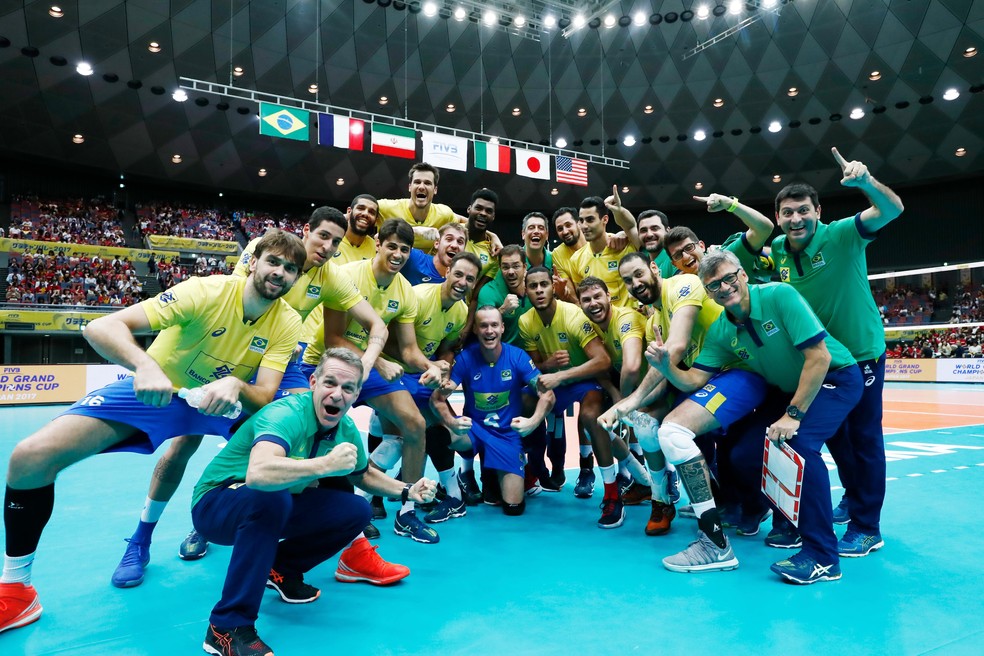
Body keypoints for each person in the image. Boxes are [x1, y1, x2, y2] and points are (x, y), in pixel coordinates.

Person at [0, 230, 307, 634]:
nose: (280, 273)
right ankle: (22, 587)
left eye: (290, 269)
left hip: (221, 402)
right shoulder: (206, 291)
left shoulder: (287, 320)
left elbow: (265, 393)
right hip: (158, 392)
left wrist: (235, 384)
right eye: (273, 262)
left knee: (297, 465)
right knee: (30, 457)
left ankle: (270, 556)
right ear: (253, 262)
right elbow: (101, 327)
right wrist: (145, 366)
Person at [113, 208, 386, 583]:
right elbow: (237, 304)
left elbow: (377, 326)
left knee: (310, 432)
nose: (327, 246)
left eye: (336, 242)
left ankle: (353, 549)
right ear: (306, 230)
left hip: (279, 361)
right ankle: (146, 537)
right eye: (322, 235)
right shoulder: (264, 252)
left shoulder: (331, 277)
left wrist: (368, 362)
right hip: (235, 353)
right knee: (182, 446)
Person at [193, 348, 437, 656]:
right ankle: (226, 627)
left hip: (272, 501)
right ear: (313, 382)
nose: (337, 394)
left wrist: (407, 490)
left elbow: (363, 476)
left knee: (356, 511)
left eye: (347, 388)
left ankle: (281, 568)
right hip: (216, 504)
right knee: (272, 499)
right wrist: (325, 466)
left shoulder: (345, 428)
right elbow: (258, 474)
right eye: (330, 383)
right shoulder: (286, 413)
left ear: (356, 394)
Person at [647, 249, 862, 584]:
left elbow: (818, 357)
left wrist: (793, 414)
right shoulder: (722, 329)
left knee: (799, 447)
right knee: (747, 454)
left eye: (728, 277)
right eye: (713, 285)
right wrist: (667, 367)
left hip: (835, 378)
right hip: (789, 390)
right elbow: (693, 381)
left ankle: (823, 556)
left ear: (742, 274)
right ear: (708, 293)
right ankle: (790, 525)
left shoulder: (780, 295)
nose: (723, 287)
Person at [769, 147, 904, 557]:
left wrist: (866, 183)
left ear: (818, 211)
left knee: (863, 440)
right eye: (788, 212)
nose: (796, 219)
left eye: (803, 210)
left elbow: (892, 210)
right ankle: (852, 497)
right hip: (821, 360)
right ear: (778, 218)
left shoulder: (843, 233)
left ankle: (868, 526)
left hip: (861, 355)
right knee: (837, 441)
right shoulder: (777, 251)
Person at [311, 219, 444, 543]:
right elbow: (333, 337)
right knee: (320, 434)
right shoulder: (348, 276)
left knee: (414, 423)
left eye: (405, 248)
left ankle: (407, 510)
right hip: (330, 362)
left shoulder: (405, 293)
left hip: (372, 368)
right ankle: (341, 511)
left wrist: (433, 366)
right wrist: (379, 361)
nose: (398, 253)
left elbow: (410, 350)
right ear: (379, 244)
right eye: (392, 246)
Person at [519, 266, 627, 527]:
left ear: (552, 287)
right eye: (533, 286)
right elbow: (536, 369)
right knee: (523, 401)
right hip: (556, 384)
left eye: (543, 284)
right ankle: (533, 469)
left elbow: (602, 361)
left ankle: (612, 494)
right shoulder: (525, 322)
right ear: (526, 291)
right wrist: (548, 364)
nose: (539, 290)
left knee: (591, 417)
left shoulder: (574, 316)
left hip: (586, 381)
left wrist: (562, 375)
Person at [431, 306, 556, 516]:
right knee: (436, 434)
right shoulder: (464, 359)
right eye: (484, 326)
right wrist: (452, 422)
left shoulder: (517, 357)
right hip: (474, 430)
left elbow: (548, 394)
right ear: (476, 331)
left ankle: (499, 469)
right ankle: (453, 495)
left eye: (494, 325)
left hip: (506, 435)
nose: (489, 331)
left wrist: (532, 422)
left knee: (514, 508)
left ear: (502, 328)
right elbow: (438, 398)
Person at [661, 193, 774, 282]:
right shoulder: (677, 286)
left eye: (689, 247)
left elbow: (764, 228)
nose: (685, 256)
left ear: (701, 246)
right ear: (674, 264)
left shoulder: (726, 257)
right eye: (677, 255)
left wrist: (730, 204)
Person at [569, 189, 641, 308]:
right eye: (581, 220)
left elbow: (633, 228)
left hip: (630, 322)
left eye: (590, 220)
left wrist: (620, 212)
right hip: (599, 324)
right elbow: (583, 299)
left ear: (605, 219)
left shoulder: (625, 246)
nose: (584, 226)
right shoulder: (576, 259)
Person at [376, 162, 464, 249]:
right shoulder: (387, 208)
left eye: (427, 183)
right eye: (417, 182)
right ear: (410, 187)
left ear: (435, 190)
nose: (421, 187)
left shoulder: (444, 214)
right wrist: (415, 230)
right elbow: (363, 208)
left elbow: (465, 222)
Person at [400, 222, 467, 285]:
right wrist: (414, 230)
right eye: (449, 239)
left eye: (460, 242)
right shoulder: (416, 258)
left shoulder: (461, 281)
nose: (454, 245)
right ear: (437, 243)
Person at [335, 193, 380, 263]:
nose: (365, 214)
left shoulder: (377, 250)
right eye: (361, 208)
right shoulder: (331, 240)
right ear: (349, 211)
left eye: (371, 212)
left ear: (376, 221)